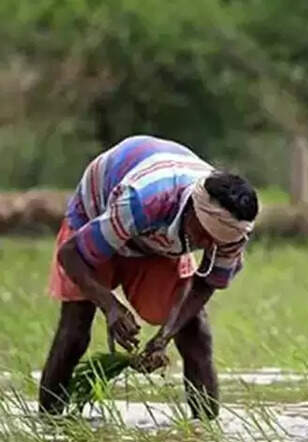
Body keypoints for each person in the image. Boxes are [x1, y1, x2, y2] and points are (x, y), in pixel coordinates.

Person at [39, 135, 258, 419]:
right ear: (192, 209)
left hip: (156, 240)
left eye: (213, 241)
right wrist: (110, 306)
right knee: (76, 327)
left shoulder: (231, 232)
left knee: (195, 330)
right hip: (100, 216)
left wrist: (166, 334)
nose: (205, 243)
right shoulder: (142, 199)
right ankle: (48, 423)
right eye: (202, 233)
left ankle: (204, 430)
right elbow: (71, 255)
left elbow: (206, 283)